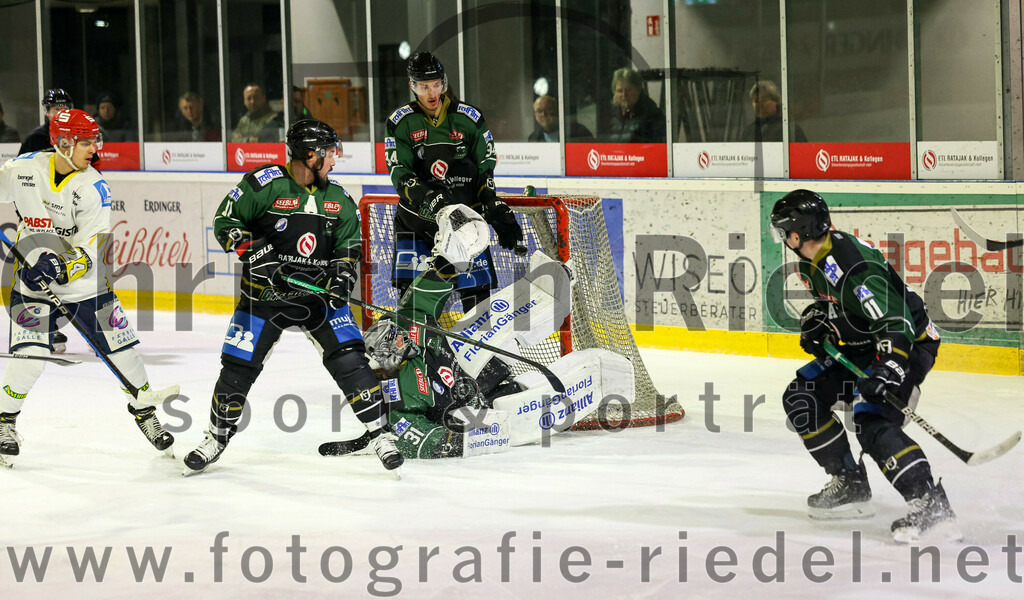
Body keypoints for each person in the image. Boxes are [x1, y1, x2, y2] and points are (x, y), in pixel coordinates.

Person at [182, 118, 403, 475]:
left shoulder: (338, 197)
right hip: (263, 298)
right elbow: (225, 222)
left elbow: (349, 246)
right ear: (309, 154)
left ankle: (380, 434)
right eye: (329, 152)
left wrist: (341, 278)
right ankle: (215, 438)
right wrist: (260, 255)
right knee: (237, 368)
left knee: (351, 360)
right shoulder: (265, 184)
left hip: (318, 301)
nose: (335, 159)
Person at [324, 204, 632, 459]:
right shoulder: (396, 401)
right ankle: (599, 382)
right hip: (478, 406)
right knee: (521, 409)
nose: (402, 335)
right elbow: (422, 442)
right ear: (388, 360)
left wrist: (449, 259)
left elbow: (428, 288)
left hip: (471, 368)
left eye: (397, 332)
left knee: (482, 322)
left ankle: (548, 290)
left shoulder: (407, 323)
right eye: (396, 340)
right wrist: (474, 434)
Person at [770, 189, 959, 544]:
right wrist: (822, 324)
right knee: (801, 397)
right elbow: (847, 309)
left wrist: (888, 368)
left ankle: (930, 504)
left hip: (906, 345)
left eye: (784, 230)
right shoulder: (813, 260)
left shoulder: (853, 266)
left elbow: (895, 321)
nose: (781, 237)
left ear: (800, 231)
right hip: (866, 346)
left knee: (871, 418)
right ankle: (850, 482)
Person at [0, 109, 176, 468]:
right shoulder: (24, 169)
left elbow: (95, 247)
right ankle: (5, 422)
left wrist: (59, 267)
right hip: (31, 287)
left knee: (123, 352)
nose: (94, 149)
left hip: (88, 286)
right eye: (85, 142)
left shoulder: (94, 187)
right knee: (29, 359)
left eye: (95, 140)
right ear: (62, 143)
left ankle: (145, 412)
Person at [384, 51, 523, 310]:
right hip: (417, 225)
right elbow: (400, 174)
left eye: (436, 84)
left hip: (464, 226)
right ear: (412, 86)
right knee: (415, 309)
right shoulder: (400, 122)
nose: (431, 92)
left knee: (479, 311)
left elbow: (484, 169)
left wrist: (491, 202)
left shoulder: (469, 119)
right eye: (424, 86)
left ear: (444, 83)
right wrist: (431, 198)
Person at [604, 68, 665, 143]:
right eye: (620, 91)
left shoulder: (653, 116)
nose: (624, 95)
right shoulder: (610, 115)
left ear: (638, 90)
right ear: (614, 93)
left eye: (629, 90)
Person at [742, 80, 807, 143]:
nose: (759, 104)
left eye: (764, 99)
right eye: (756, 101)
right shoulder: (748, 132)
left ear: (776, 102)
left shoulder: (789, 129)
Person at [19, 88, 73, 155]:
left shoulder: (76, 135)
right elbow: (21, 161)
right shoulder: (36, 137)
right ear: (47, 112)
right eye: (57, 109)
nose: (61, 113)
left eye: (65, 109)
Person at [527, 95, 592, 143]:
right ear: (535, 115)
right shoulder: (533, 138)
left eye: (548, 109)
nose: (543, 114)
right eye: (539, 111)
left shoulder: (580, 132)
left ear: (557, 110)